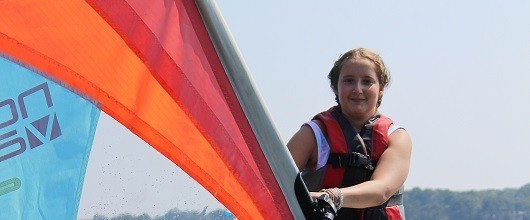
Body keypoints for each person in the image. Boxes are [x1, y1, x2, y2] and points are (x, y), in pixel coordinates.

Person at [287, 48, 412, 219]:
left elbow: (382, 190)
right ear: (335, 86)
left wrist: (332, 197)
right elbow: (272, 181)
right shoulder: (312, 135)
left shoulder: (396, 138)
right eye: (349, 81)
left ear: (381, 88)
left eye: (367, 81)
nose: (358, 89)